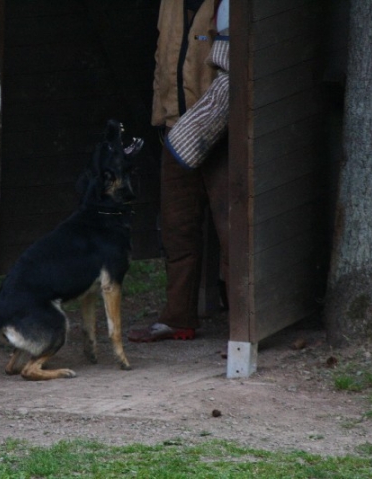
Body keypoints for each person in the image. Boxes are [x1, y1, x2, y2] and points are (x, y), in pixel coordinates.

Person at [128, 0, 230, 342]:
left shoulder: (229, 5)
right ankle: (179, 317)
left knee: (233, 230)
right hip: (176, 130)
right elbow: (163, 59)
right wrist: (163, 117)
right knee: (176, 228)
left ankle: (245, 325)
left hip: (224, 130)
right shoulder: (168, 4)